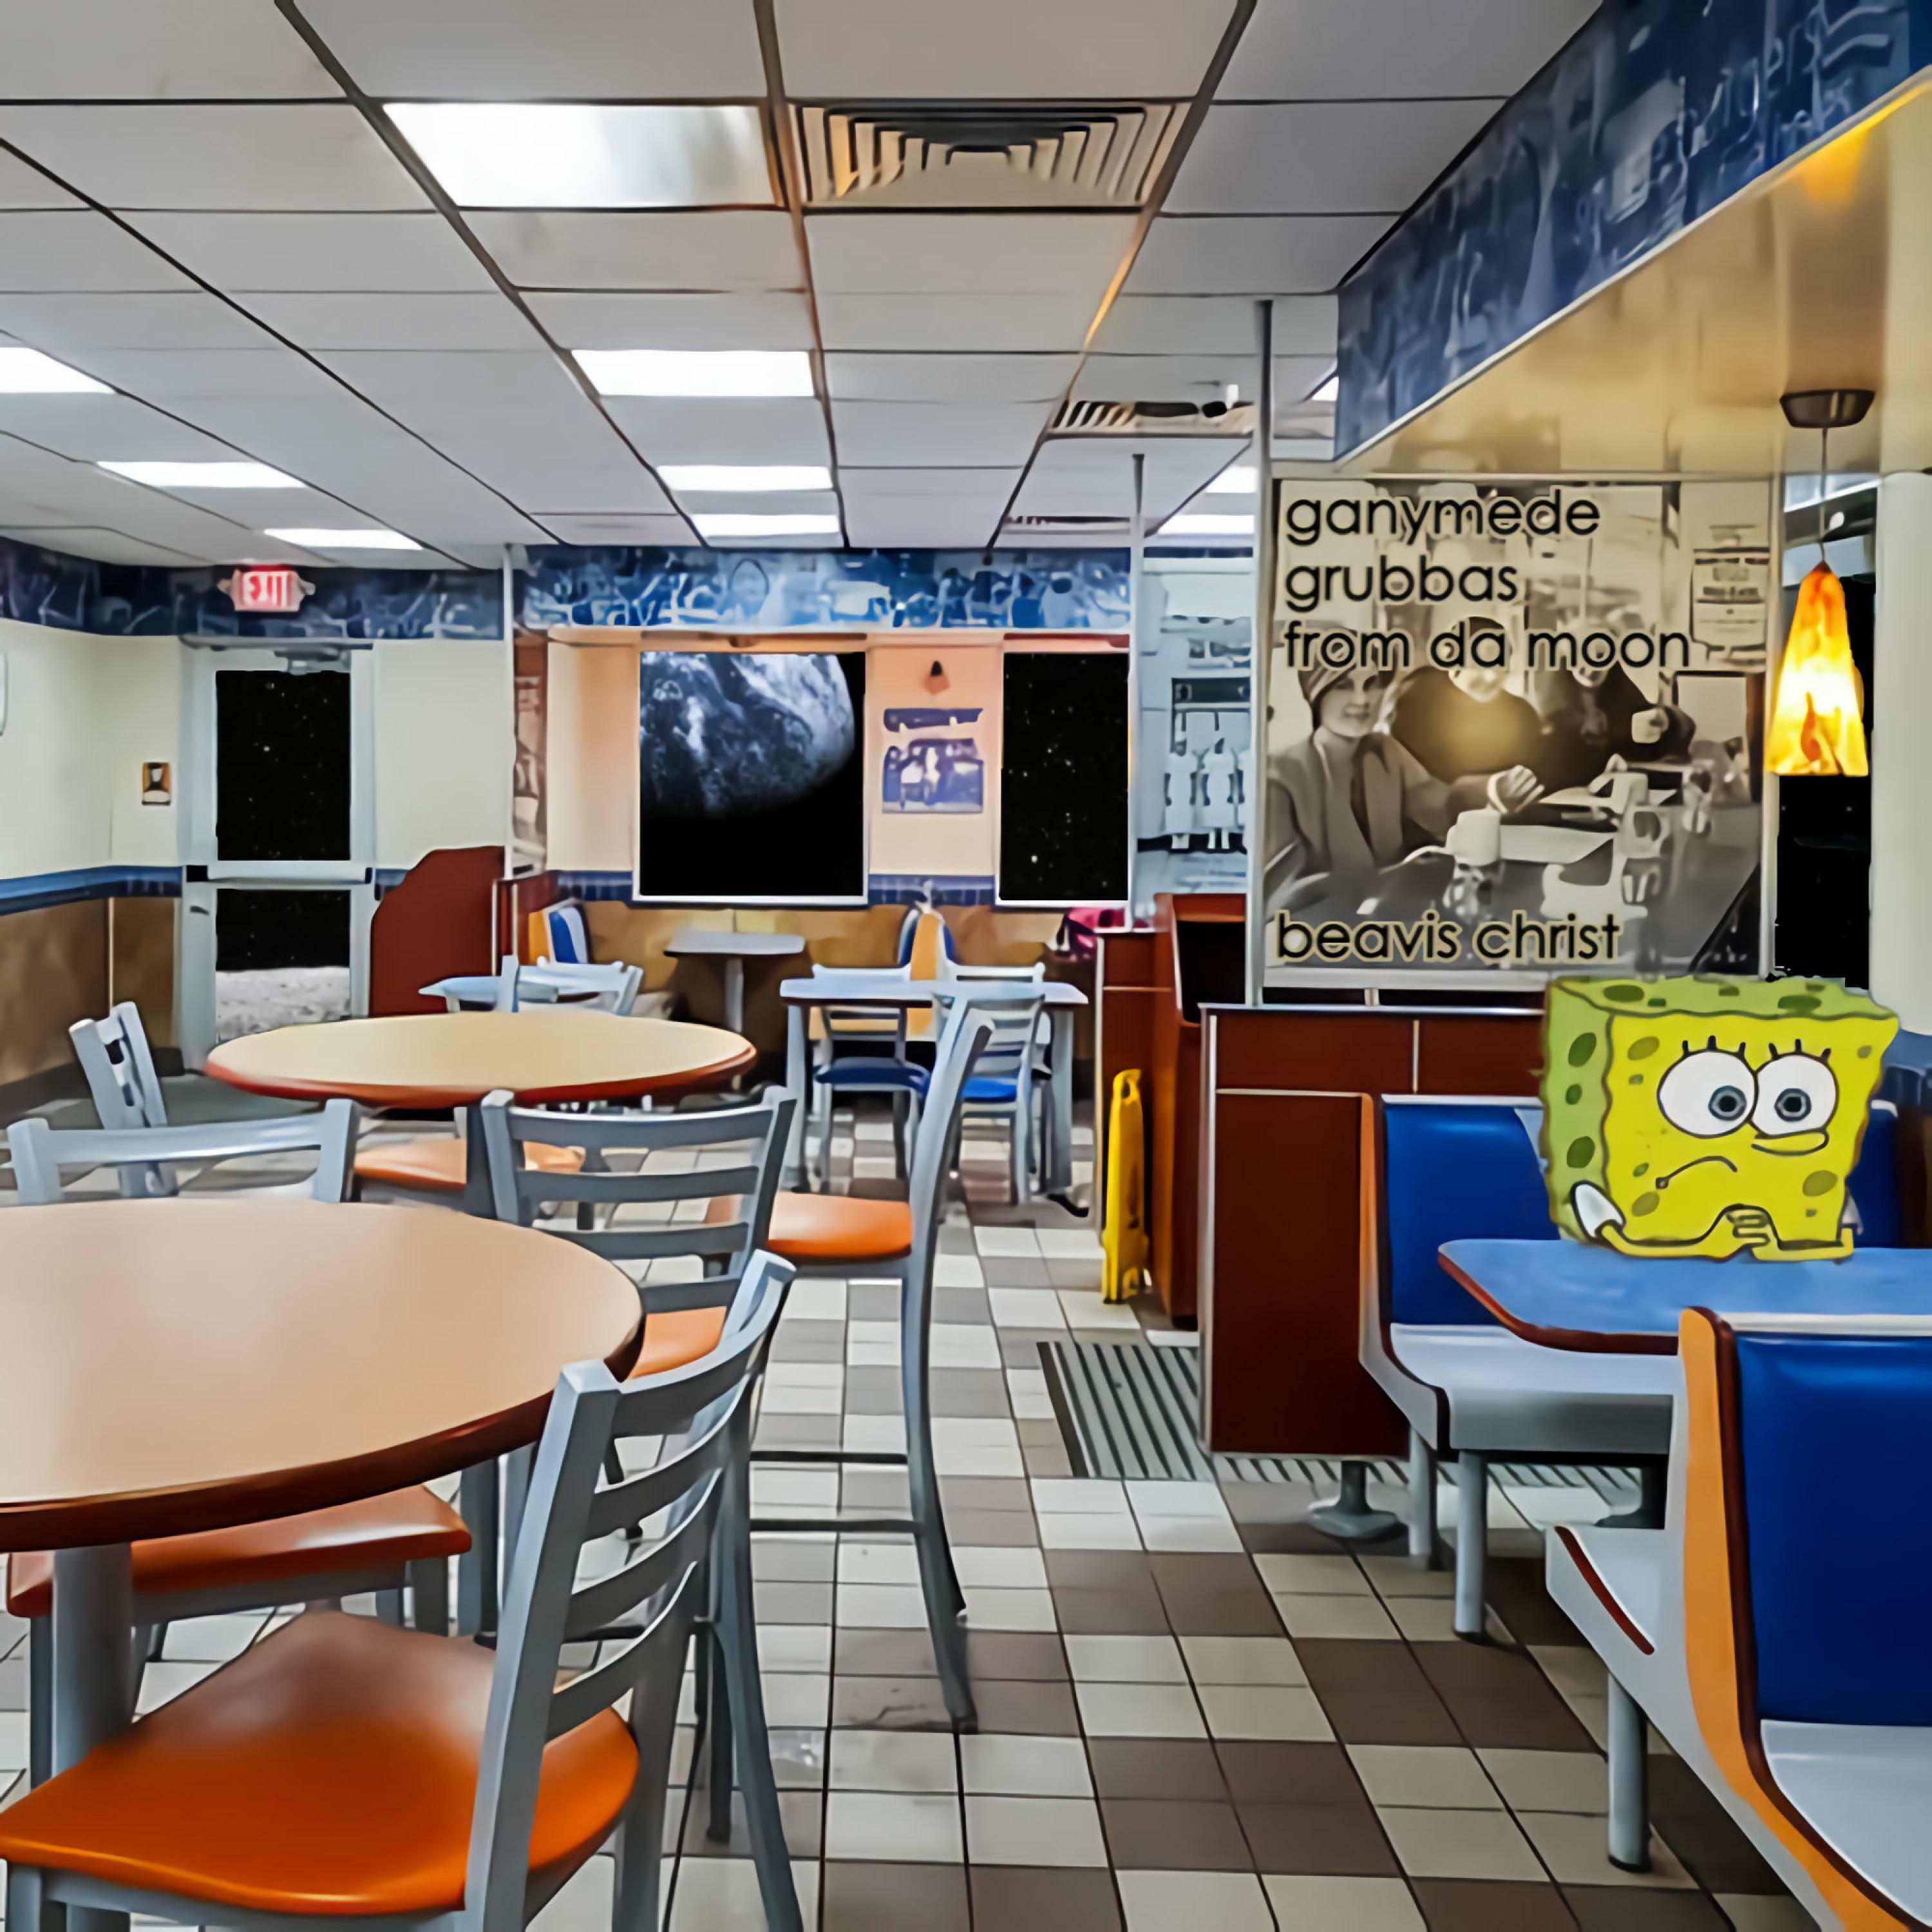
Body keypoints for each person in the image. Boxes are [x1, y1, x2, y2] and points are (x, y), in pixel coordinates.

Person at [1264, 660, 1491, 913]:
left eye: (1371, 684)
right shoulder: (1278, 775)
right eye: (1343, 686)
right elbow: (1283, 893)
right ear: (1316, 694)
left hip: (1397, 919)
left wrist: (1494, 790)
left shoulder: (1385, 751)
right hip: (1321, 930)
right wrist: (1390, 882)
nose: (1362, 700)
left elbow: (1437, 807)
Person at [1387, 658, 1546, 813]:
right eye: (1483, 664)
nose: (1492, 676)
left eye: (1502, 666)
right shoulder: (1416, 697)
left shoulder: (1522, 714)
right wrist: (1489, 791)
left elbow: (1533, 778)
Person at [1526, 662, 1694, 791]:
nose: (1590, 670)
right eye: (1602, 734)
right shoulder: (1552, 704)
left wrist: (1668, 721)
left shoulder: (1624, 690)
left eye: (1592, 734)